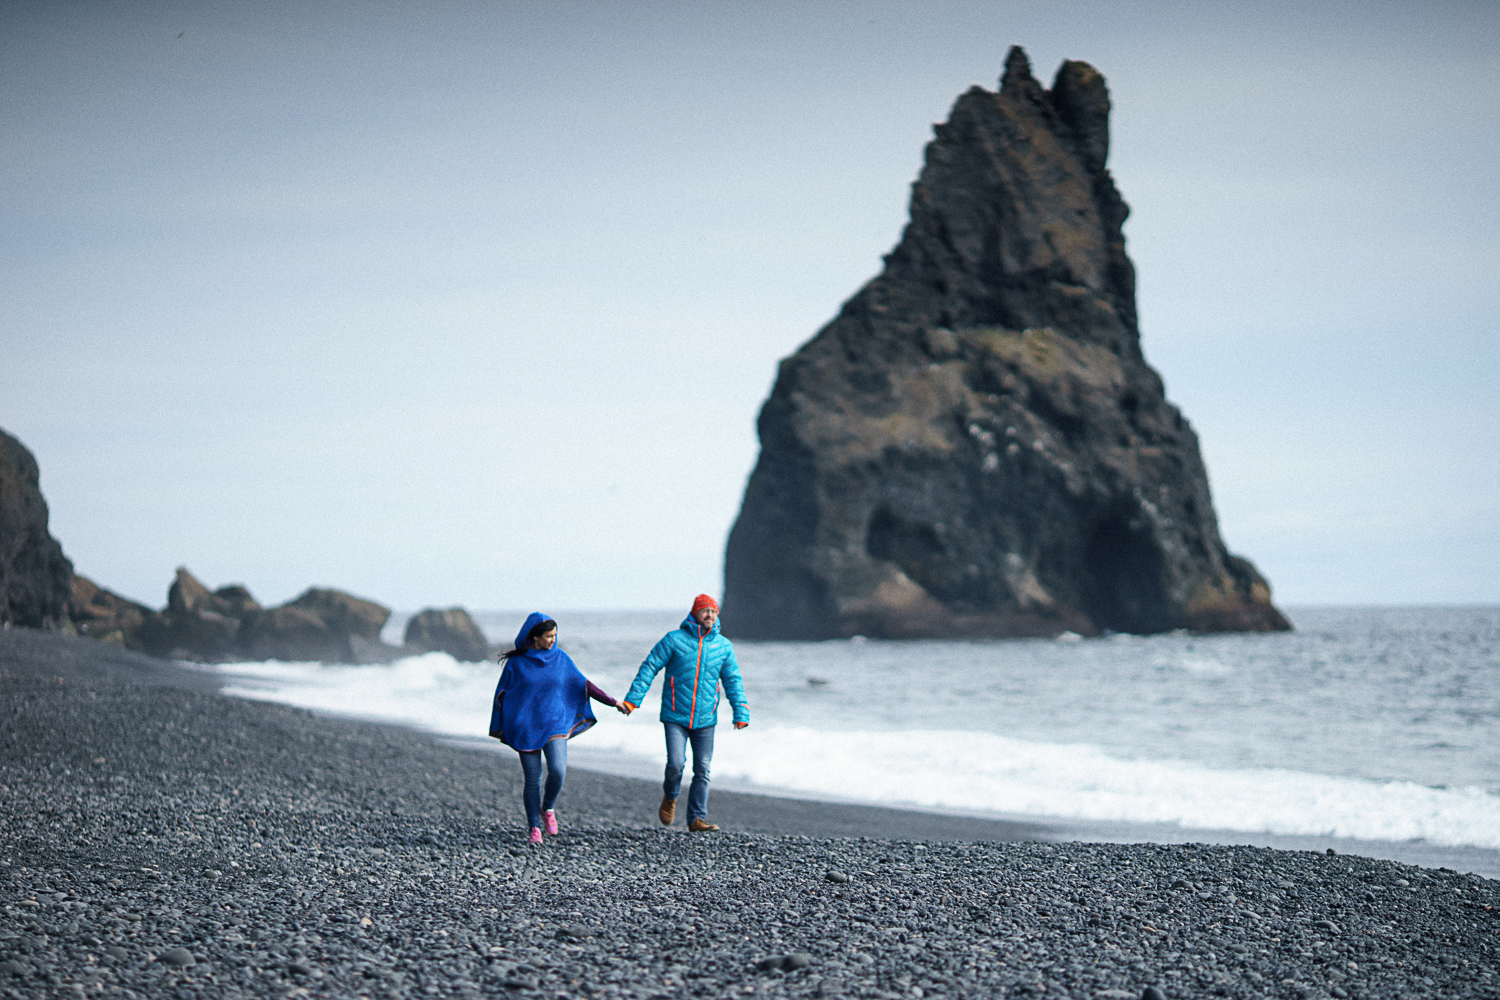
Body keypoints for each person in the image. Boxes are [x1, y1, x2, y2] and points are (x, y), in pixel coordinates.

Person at [618, 594, 748, 832]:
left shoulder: (723, 646)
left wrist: (740, 712)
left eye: (713, 611)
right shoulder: (674, 640)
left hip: (706, 718)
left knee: (703, 769)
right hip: (676, 715)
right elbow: (649, 667)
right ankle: (670, 796)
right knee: (676, 764)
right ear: (695, 614)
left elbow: (733, 681)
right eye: (704, 611)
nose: (709, 615)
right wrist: (632, 701)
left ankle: (696, 819)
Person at [489, 612, 618, 844]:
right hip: (525, 726)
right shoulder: (516, 664)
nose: (553, 640)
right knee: (532, 779)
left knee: (558, 770)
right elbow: (501, 696)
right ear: (535, 637)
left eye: (555, 635)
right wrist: (503, 725)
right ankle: (534, 828)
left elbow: (583, 684)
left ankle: (547, 808)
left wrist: (613, 702)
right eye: (549, 636)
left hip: (554, 722)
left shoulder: (560, 658)